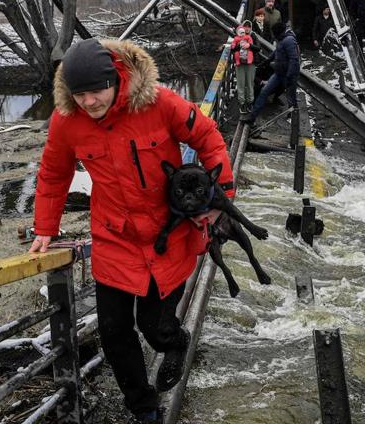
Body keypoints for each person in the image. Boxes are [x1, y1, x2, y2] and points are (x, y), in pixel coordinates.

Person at [30, 38, 235, 424]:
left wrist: (215, 201)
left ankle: (175, 341)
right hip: (114, 238)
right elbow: (54, 174)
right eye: (79, 94)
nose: (88, 102)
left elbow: (207, 138)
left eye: (96, 91)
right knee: (113, 331)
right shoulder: (66, 120)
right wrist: (45, 227)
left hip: (168, 235)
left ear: (117, 80)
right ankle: (144, 408)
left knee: (154, 327)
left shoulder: (158, 102)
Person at [246, 21, 299, 123]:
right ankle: (251, 118)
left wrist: (289, 76)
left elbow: (294, 60)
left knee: (291, 99)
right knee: (264, 92)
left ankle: (294, 122)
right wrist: (267, 61)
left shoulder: (289, 41)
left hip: (289, 76)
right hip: (278, 73)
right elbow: (277, 51)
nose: (274, 37)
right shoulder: (282, 39)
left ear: (278, 33)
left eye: (275, 35)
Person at [231, 25, 256, 116]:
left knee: (250, 84)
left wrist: (249, 45)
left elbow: (257, 48)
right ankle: (242, 103)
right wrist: (239, 45)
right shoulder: (236, 39)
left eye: (248, 27)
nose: (245, 30)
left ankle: (250, 102)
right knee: (241, 84)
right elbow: (232, 49)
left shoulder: (251, 37)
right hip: (240, 64)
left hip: (250, 64)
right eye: (245, 27)